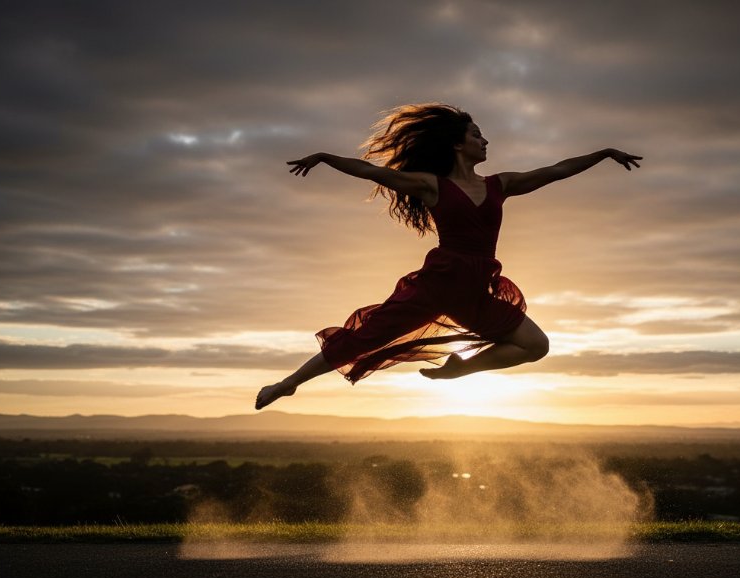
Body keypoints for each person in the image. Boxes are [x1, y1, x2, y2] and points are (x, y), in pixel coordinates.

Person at [256, 103, 641, 410]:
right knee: (363, 338)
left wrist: (604, 153)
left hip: (475, 291)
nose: (485, 140)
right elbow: (372, 172)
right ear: (458, 144)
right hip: (438, 286)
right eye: (477, 135)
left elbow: (556, 170)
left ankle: (460, 371)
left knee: (536, 346)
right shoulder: (432, 185)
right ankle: (287, 384)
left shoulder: (500, 184)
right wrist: (325, 156)